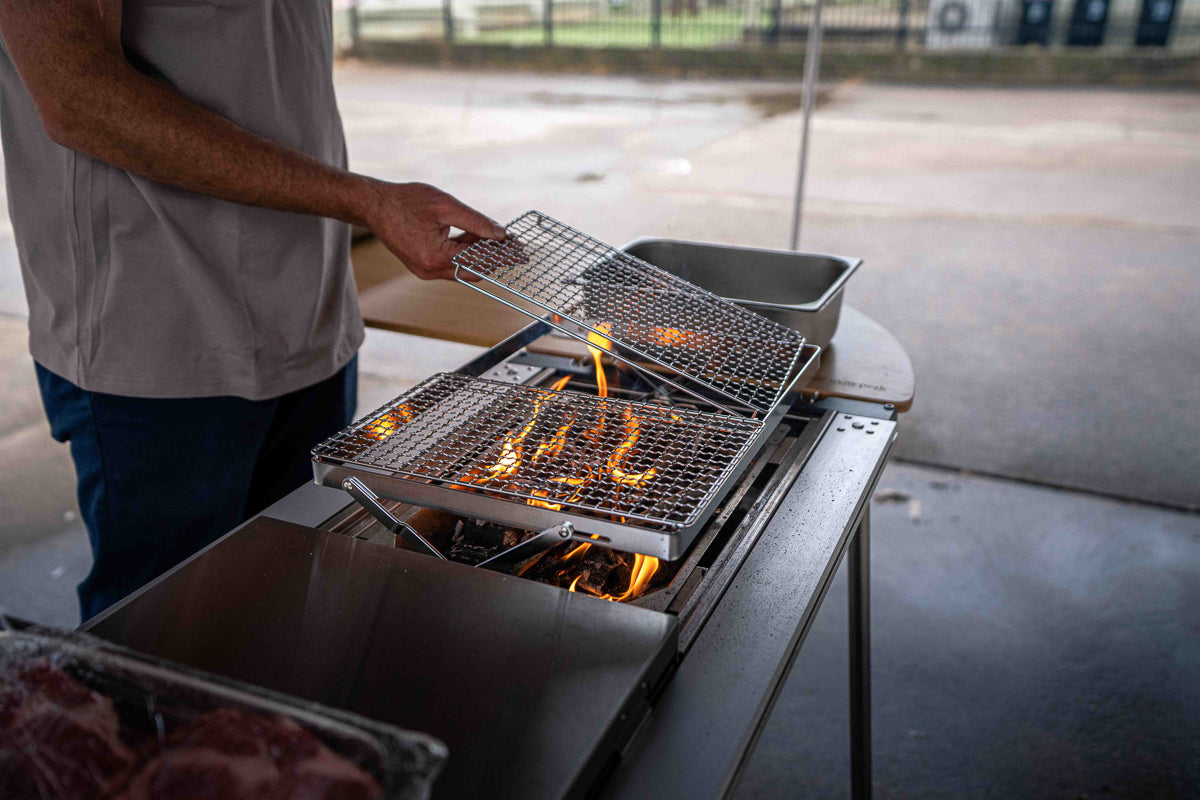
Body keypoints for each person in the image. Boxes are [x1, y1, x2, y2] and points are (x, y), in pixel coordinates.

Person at [0, 0, 505, 620]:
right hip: (161, 340)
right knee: (164, 637)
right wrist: (365, 200)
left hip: (308, 320)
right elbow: (77, 95)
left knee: (286, 611)